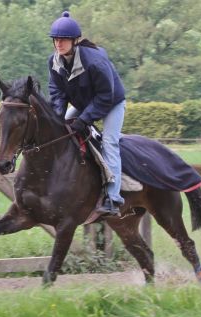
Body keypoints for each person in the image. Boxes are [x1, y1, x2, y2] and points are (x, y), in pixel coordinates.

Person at [48, 11, 126, 215]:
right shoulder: (54, 62)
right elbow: (57, 93)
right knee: (60, 130)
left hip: (111, 102)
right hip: (85, 102)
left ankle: (113, 198)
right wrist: (57, 117)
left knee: (109, 141)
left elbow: (104, 97)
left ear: (75, 40)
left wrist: (83, 120)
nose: (59, 44)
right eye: (56, 39)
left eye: (63, 39)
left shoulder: (94, 61)